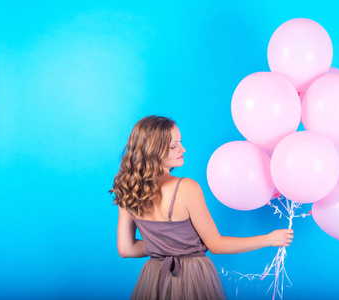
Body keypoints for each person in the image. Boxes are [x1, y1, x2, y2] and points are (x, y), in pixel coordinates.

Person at [110, 115, 294, 300]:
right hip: (191, 276)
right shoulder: (186, 188)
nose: (183, 149)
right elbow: (216, 245)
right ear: (153, 152)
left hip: (154, 277)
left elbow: (126, 249)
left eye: (180, 142)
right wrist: (268, 239)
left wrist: (163, 246)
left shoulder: (128, 189)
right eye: (173, 146)